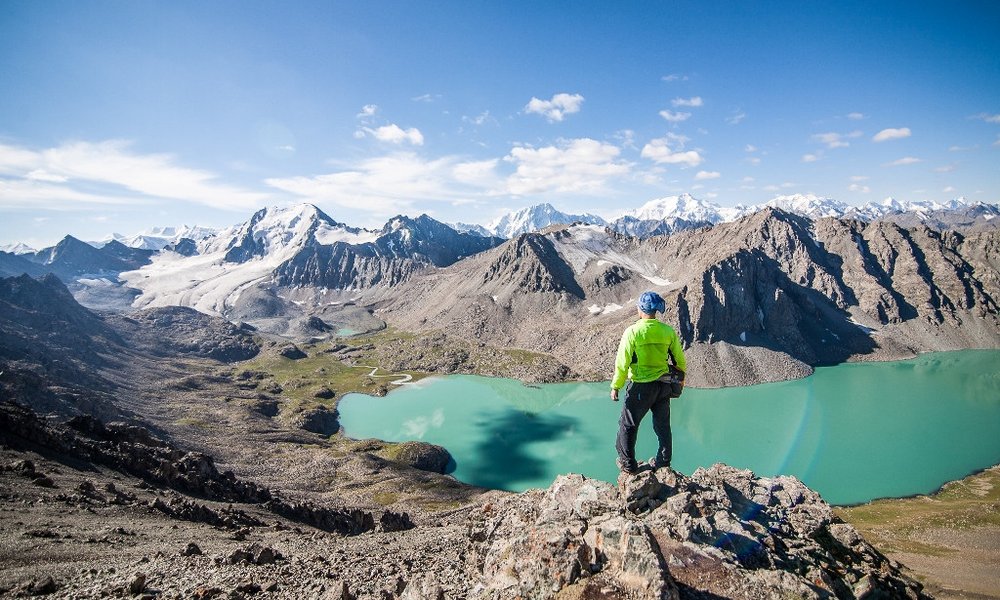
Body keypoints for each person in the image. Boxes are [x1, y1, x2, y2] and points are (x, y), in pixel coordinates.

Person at [611, 291, 686, 474]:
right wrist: (680, 382)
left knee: (628, 425)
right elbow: (680, 361)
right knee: (662, 426)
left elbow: (622, 363)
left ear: (640, 309)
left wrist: (616, 386)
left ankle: (628, 465)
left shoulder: (632, 332)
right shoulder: (667, 331)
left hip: (640, 387)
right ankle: (663, 463)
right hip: (663, 386)